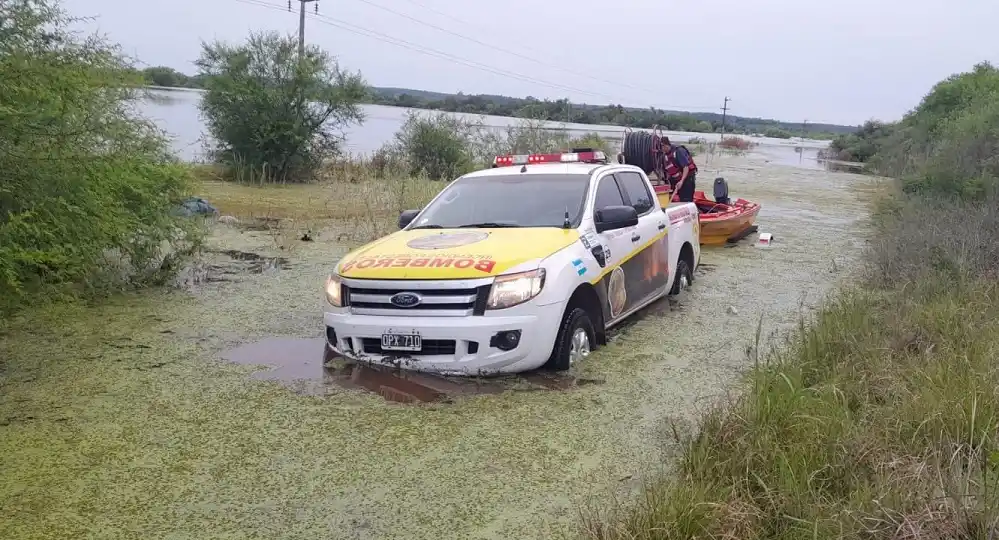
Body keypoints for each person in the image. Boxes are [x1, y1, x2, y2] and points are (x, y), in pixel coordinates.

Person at [661, 137, 698, 203]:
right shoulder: (665, 156)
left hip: (687, 179)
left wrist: (681, 181)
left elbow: (686, 167)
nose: (662, 149)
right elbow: (667, 171)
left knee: (686, 200)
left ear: (666, 145)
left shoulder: (678, 151)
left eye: (662, 147)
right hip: (676, 179)